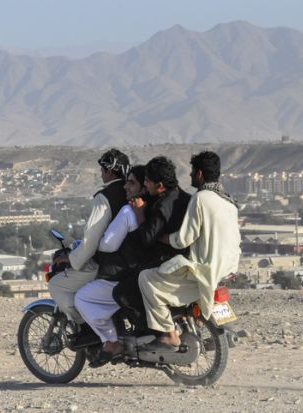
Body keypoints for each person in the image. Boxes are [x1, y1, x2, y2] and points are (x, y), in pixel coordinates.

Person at [138, 151, 241, 350]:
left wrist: (161, 237)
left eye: (193, 171)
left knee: (146, 279)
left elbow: (183, 239)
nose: (191, 176)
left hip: (205, 270)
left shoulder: (201, 198)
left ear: (200, 174)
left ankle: (168, 333)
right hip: (228, 268)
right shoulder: (228, 200)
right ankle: (198, 324)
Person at [49, 148, 130, 342]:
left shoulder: (104, 197)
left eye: (102, 170)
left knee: (57, 285)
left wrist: (70, 259)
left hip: (109, 263)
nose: (101, 174)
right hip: (133, 258)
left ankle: (85, 328)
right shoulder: (132, 190)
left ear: (109, 172)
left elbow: (91, 240)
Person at [74, 165, 147, 367]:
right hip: (149, 269)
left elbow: (108, 244)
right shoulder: (157, 206)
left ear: (143, 186)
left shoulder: (127, 211)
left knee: (83, 297)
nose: (126, 186)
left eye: (131, 182)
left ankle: (112, 342)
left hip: (129, 273)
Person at [111, 156, 191, 324]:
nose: (145, 184)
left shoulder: (163, 205)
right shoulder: (184, 197)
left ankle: (153, 333)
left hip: (165, 261)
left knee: (122, 293)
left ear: (160, 186)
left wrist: (140, 213)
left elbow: (147, 239)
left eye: (147, 181)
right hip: (181, 258)